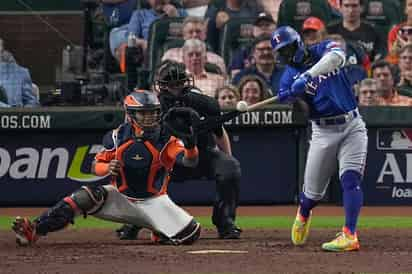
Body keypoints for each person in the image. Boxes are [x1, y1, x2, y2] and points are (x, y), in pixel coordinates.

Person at [12, 90, 201, 246]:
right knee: (84, 196)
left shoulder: (167, 138)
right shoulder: (116, 137)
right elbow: (95, 166)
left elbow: (189, 162)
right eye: (144, 113)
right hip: (121, 198)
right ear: (130, 114)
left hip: (154, 201)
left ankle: (159, 229)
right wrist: (107, 168)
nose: (150, 117)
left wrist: (191, 146)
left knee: (190, 234)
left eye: (153, 112)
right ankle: (35, 229)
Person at [116, 61, 242, 240]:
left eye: (178, 83)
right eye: (170, 84)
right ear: (161, 85)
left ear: (186, 82)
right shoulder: (150, 106)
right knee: (139, 170)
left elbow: (219, 133)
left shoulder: (204, 103)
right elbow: (134, 135)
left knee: (230, 167)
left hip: (202, 153)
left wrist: (228, 158)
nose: (175, 89)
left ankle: (225, 223)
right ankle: (134, 222)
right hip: (165, 159)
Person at [271, 26, 368, 251]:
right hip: (323, 132)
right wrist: (293, 98)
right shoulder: (286, 78)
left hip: (352, 124)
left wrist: (307, 76)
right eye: (281, 53)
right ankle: (304, 212)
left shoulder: (322, 49)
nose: (285, 56)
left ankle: (349, 234)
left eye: (286, 50)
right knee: (312, 195)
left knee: (351, 180)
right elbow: (303, 112)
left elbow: (338, 57)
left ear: (297, 44)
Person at [162, 16, 227, 75]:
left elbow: (223, 83)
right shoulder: (170, 55)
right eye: (190, 32)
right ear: (184, 35)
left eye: (198, 31)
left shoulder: (217, 60)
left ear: (205, 35)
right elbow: (161, 79)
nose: (195, 35)